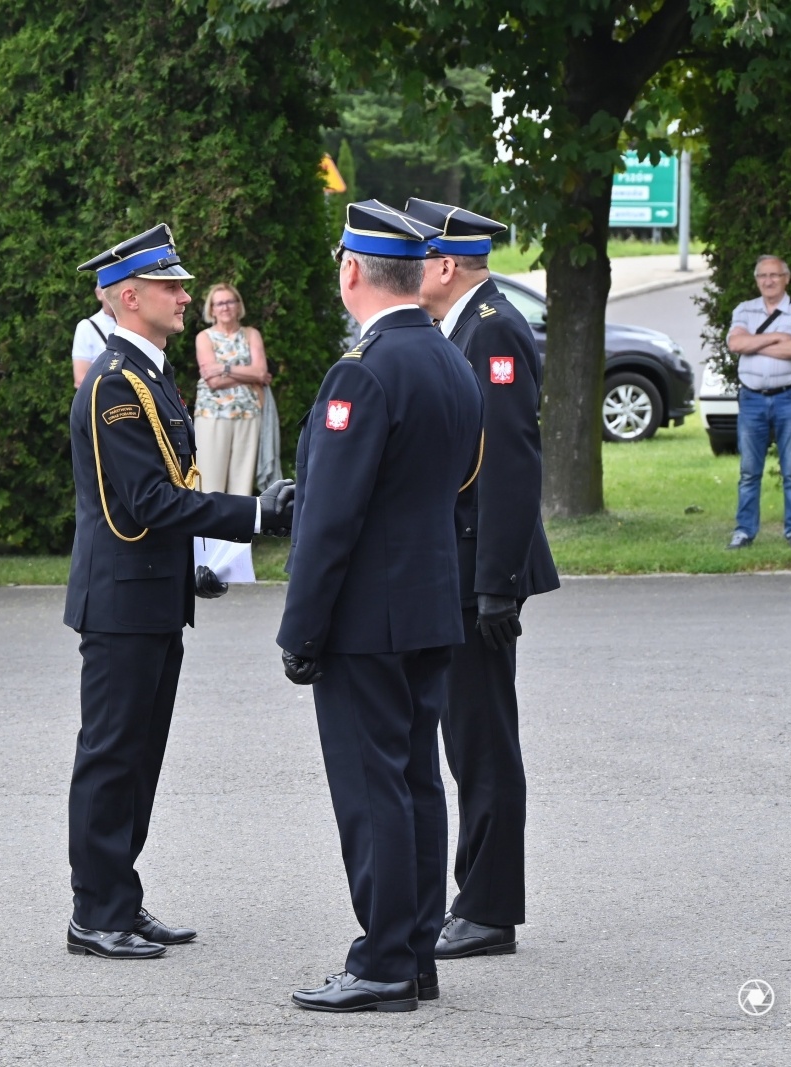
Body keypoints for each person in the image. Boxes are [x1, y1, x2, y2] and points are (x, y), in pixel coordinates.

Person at [64, 223, 294, 959]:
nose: (186, 296)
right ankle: (94, 911)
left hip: (154, 590)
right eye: (172, 286)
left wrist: (195, 561)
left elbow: (170, 487)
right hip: (123, 597)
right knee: (112, 754)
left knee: (140, 755)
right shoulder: (114, 385)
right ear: (130, 297)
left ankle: (119, 899)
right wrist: (253, 514)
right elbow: (146, 503)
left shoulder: (150, 374)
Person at [278, 200, 484, 1013]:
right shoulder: (447, 359)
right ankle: (414, 951)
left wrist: (300, 629)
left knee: (374, 792)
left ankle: (386, 958)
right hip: (431, 602)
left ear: (352, 271)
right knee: (416, 785)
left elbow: (331, 519)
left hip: (369, 617)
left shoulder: (362, 371)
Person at [404, 196, 560, 961]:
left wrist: (498, 578)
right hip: (465, 559)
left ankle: (491, 907)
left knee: (483, 739)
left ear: (442, 264)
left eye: (420, 259)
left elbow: (509, 455)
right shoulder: (464, 323)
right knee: (466, 737)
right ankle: (477, 894)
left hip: (480, 566)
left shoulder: (491, 326)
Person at [725, 255, 791, 549]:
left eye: (774, 275)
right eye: (762, 275)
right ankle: (744, 531)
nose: (768, 281)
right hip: (752, 399)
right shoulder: (744, 309)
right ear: (756, 280)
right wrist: (776, 336)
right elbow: (735, 344)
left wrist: (754, 344)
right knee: (749, 472)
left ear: (786, 278)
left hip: (790, 398)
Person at [191, 283, 271, 495]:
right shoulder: (204, 337)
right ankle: (206, 529)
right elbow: (213, 382)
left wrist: (224, 368)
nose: (225, 307)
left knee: (242, 486)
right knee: (209, 484)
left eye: (229, 302)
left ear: (238, 306)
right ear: (211, 309)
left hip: (248, 414)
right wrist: (249, 376)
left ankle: (238, 529)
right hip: (212, 415)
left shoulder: (251, 334)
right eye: (219, 303)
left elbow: (262, 372)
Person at [70, 287, 116, 388]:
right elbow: (80, 379)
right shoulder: (87, 327)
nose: (114, 295)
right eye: (109, 289)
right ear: (98, 293)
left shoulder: (138, 323)